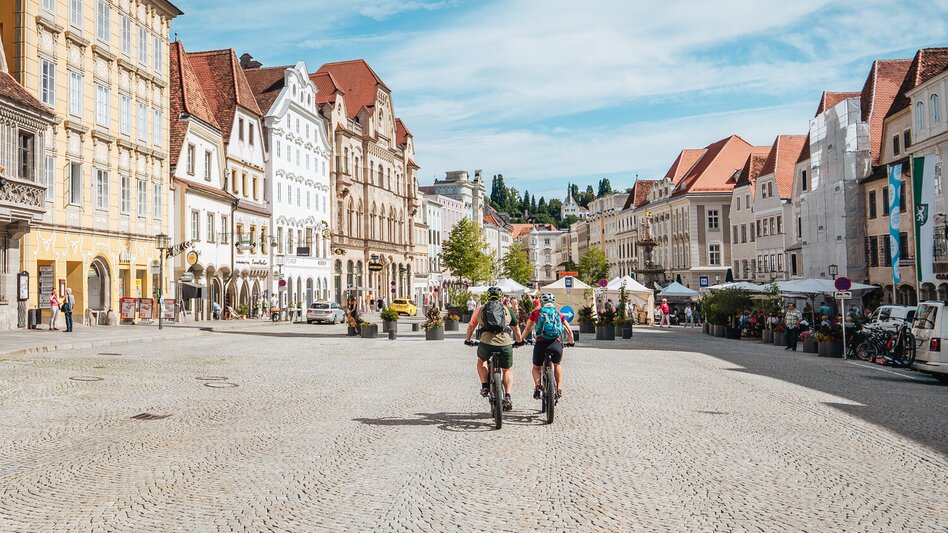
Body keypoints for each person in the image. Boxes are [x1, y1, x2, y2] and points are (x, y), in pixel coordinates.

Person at [464, 286, 521, 411]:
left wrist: (468, 340)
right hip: (504, 344)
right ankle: (507, 396)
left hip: (486, 343)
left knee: (481, 361)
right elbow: (516, 328)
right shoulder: (507, 309)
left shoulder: (480, 309)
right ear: (501, 297)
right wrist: (519, 341)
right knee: (506, 370)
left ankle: (484, 385)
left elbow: (471, 326)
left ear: (487, 297)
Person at [520, 292, 575, 400]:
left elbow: (527, 329)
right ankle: (558, 389)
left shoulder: (536, 313)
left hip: (541, 344)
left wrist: (520, 340)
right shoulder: (558, 314)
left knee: (536, 367)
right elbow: (569, 331)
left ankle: (538, 387)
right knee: (557, 364)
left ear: (541, 302)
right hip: (555, 344)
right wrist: (571, 342)